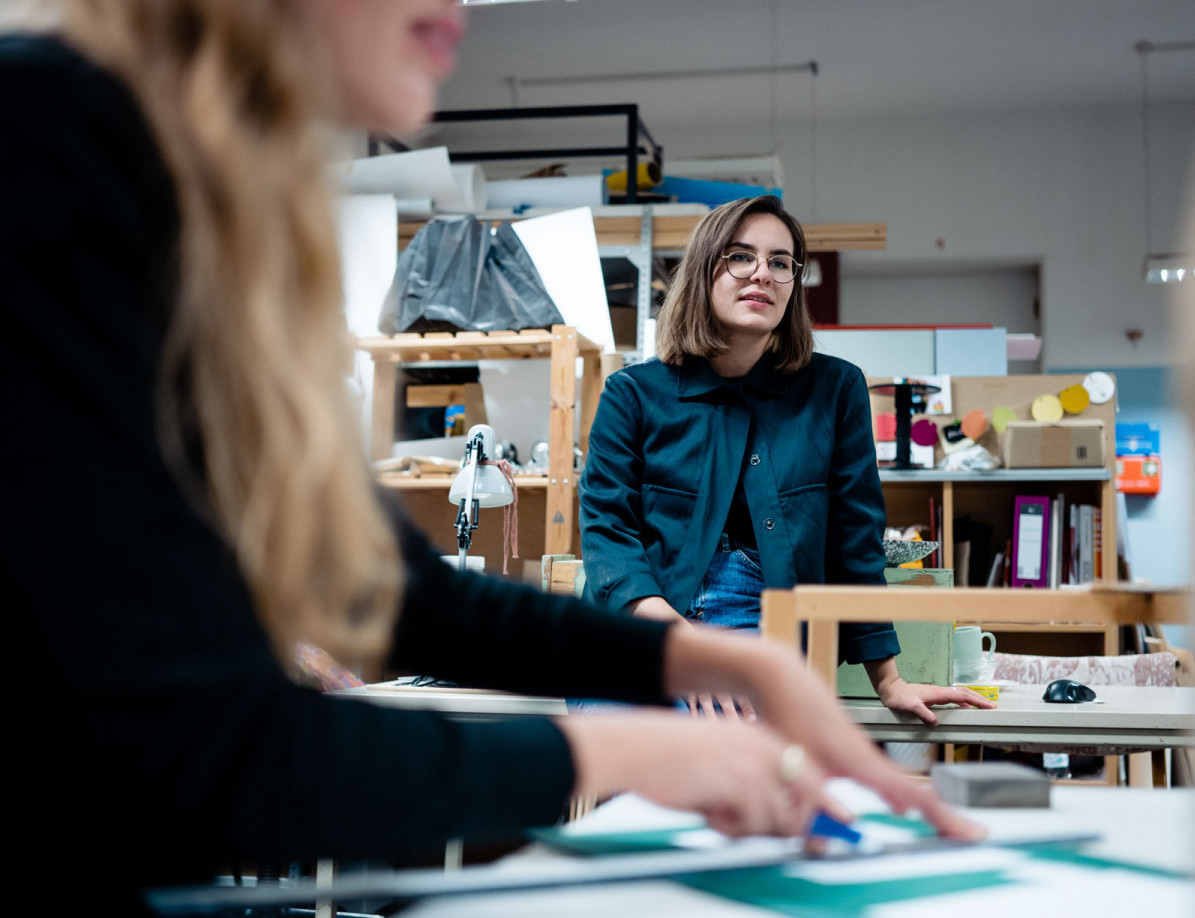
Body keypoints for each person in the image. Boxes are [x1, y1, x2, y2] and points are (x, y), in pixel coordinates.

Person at [0, 1, 980, 912]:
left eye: (782, 263)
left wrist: (719, 663)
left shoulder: (208, 206)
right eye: (741, 258)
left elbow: (404, 598)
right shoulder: (52, 136)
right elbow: (212, 751)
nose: (462, 9)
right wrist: (618, 745)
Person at [580, 195, 994, 723]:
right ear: (705, 268)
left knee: (739, 757)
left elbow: (853, 540)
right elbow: (606, 532)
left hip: (766, 625)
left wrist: (889, 680)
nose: (762, 274)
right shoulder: (631, 394)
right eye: (740, 256)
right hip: (645, 626)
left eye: (780, 262)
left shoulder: (835, 388)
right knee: (630, 747)